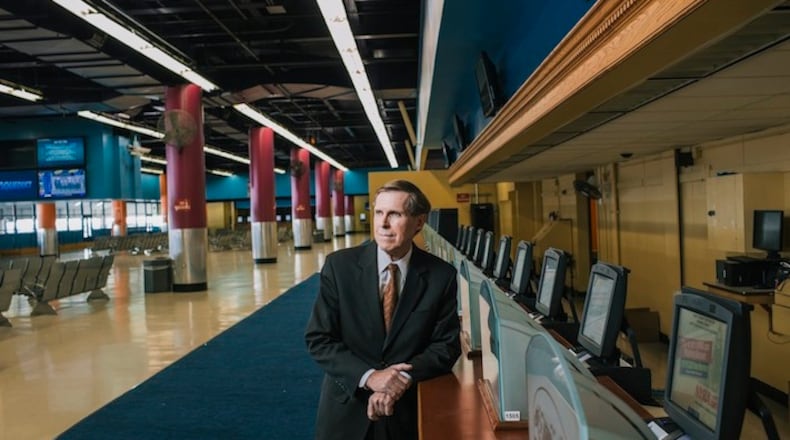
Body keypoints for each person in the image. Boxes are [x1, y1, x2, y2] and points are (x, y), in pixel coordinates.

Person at [305, 179, 461, 440]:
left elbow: (445, 346)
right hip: (347, 409)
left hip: (404, 413)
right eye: (379, 213)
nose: (383, 224)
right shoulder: (339, 267)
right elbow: (319, 340)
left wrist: (397, 382)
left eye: (395, 214)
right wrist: (370, 377)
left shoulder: (440, 275)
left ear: (419, 222)